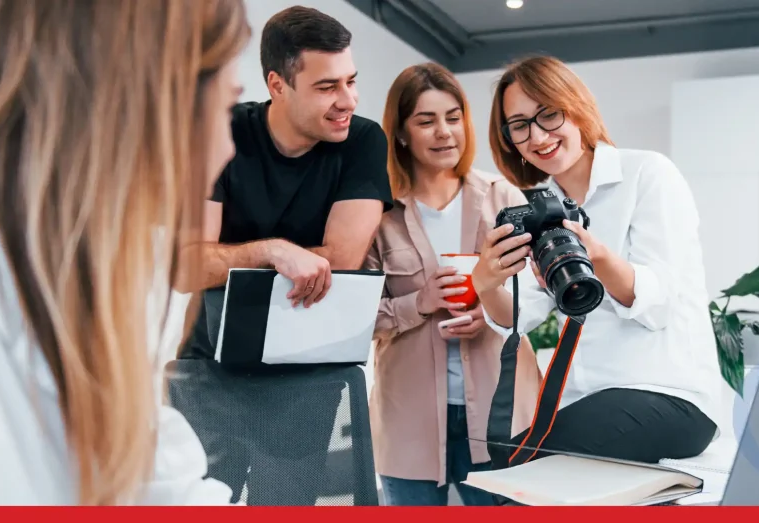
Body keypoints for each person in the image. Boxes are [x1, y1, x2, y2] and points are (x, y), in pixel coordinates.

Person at [0, 0, 250, 505]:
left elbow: (160, 487)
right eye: (226, 108)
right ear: (151, 106)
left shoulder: (92, 279)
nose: (228, 149)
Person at [172, 6, 393, 505]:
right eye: (327, 87)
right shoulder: (222, 131)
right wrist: (273, 252)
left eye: (351, 82)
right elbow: (185, 267)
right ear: (277, 83)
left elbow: (342, 257)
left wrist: (228, 259)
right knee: (202, 503)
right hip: (210, 369)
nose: (348, 100)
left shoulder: (361, 140)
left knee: (286, 505)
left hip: (305, 375)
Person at [471, 55, 723, 466]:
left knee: (523, 472)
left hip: (672, 397)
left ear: (576, 108)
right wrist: (486, 284)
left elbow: (658, 305)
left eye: (548, 115)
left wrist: (597, 254)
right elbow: (520, 318)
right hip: (587, 400)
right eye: (519, 125)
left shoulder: (647, 173)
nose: (537, 137)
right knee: (501, 466)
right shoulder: (541, 210)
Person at [365, 63, 542, 506]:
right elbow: (354, 317)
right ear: (402, 133)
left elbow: (537, 298)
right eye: (426, 121)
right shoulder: (377, 214)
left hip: (503, 416)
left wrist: (489, 310)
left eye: (453, 117)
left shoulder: (503, 197)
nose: (445, 132)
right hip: (410, 422)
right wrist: (419, 302)